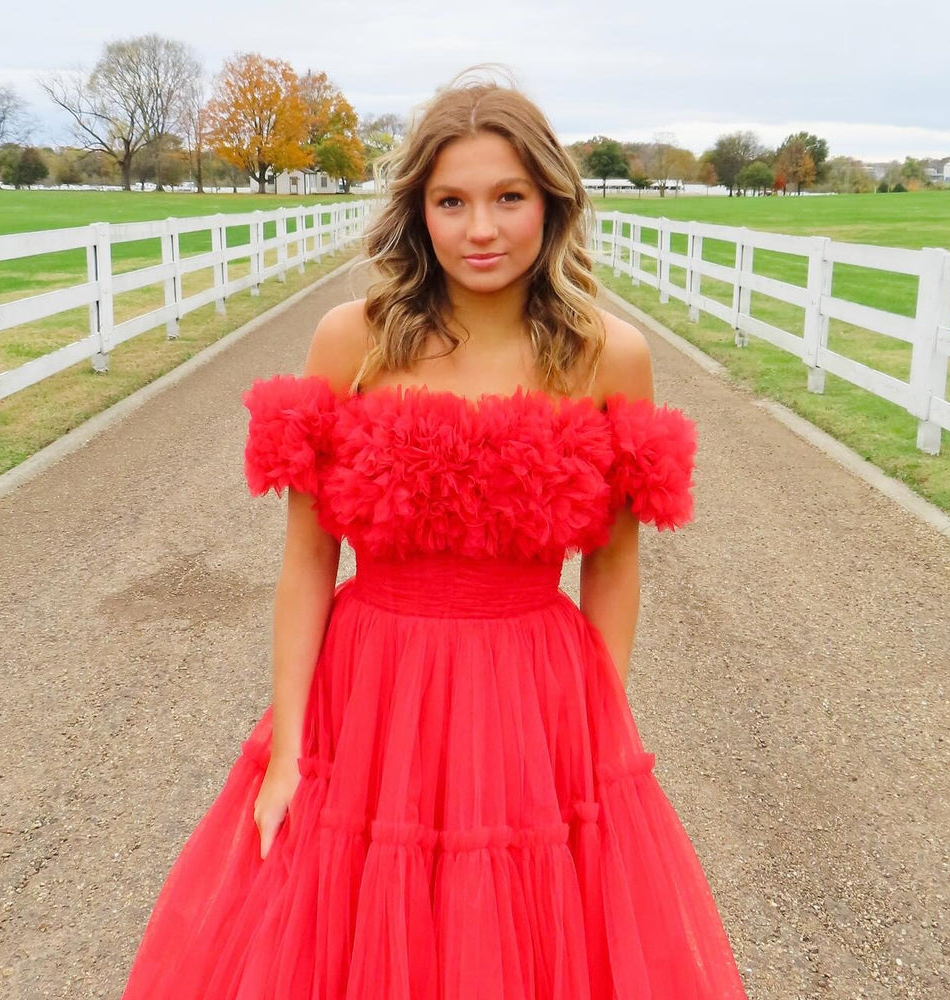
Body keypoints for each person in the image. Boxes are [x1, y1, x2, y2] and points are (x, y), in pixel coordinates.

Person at [120, 68, 750, 999]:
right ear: (418, 209)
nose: (481, 229)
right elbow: (305, 559)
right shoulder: (353, 341)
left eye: (509, 198)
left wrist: (594, 729)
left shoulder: (609, 355)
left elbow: (614, 565)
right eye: (452, 201)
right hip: (369, 693)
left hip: (536, 696)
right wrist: (291, 749)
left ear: (552, 203)